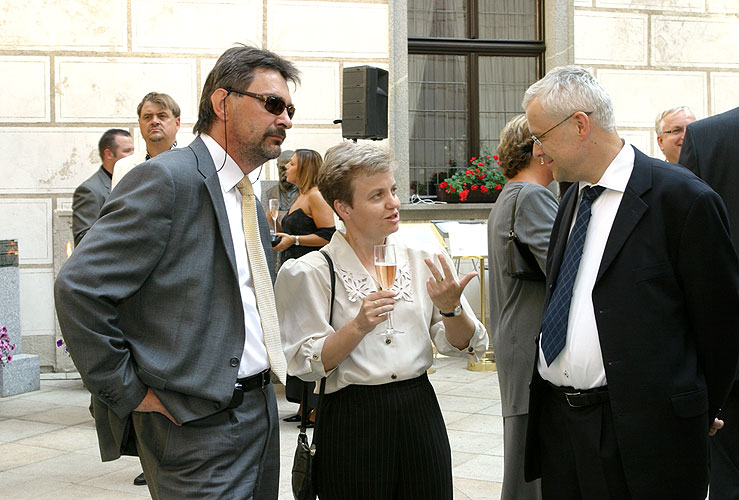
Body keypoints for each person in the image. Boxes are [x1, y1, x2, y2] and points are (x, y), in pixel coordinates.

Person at [54, 45, 299, 500]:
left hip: (259, 412)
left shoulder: (244, 194)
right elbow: (79, 287)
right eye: (271, 104)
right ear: (222, 103)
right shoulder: (168, 179)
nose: (284, 119)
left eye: (288, 108)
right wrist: (128, 392)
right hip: (194, 426)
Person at [522, 65, 739, 500]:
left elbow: (722, 323)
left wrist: (697, 409)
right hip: (561, 428)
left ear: (581, 125)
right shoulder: (572, 197)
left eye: (541, 136)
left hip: (641, 439)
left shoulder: (682, 198)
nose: (538, 152)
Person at [274, 140, 488, 500]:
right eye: (377, 196)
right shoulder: (312, 272)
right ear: (343, 207)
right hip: (352, 418)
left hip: (419, 409)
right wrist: (357, 327)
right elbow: (305, 365)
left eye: (392, 190)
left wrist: (451, 309)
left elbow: (464, 346)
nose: (394, 203)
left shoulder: (426, 257)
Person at [487, 114, 557, 500]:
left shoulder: (511, 194)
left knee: (527, 461)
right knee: (529, 472)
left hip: (518, 338)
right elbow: (565, 271)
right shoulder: (531, 196)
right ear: (537, 149)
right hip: (529, 344)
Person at [679, 106, 739, 500]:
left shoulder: (707, 137)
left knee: (728, 478)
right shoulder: (706, 136)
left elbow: (682, 254)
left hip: (727, 350)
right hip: (727, 354)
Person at [273, 148, 335, 424]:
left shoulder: (316, 196)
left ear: (306, 168)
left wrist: (294, 240)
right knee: (293, 332)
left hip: (308, 273)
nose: (286, 166)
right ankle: (301, 403)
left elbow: (328, 235)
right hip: (293, 272)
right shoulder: (299, 196)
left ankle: (315, 406)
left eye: (292, 163)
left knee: (308, 332)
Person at [72, 128, 133, 246]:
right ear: (108, 154)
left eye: (133, 150)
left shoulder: (130, 182)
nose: (132, 155)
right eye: (127, 151)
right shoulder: (88, 190)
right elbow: (83, 239)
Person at [110, 92, 181, 189]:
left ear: (177, 123)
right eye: (147, 117)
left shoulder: (194, 164)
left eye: (162, 116)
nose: (154, 121)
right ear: (140, 124)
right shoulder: (123, 167)